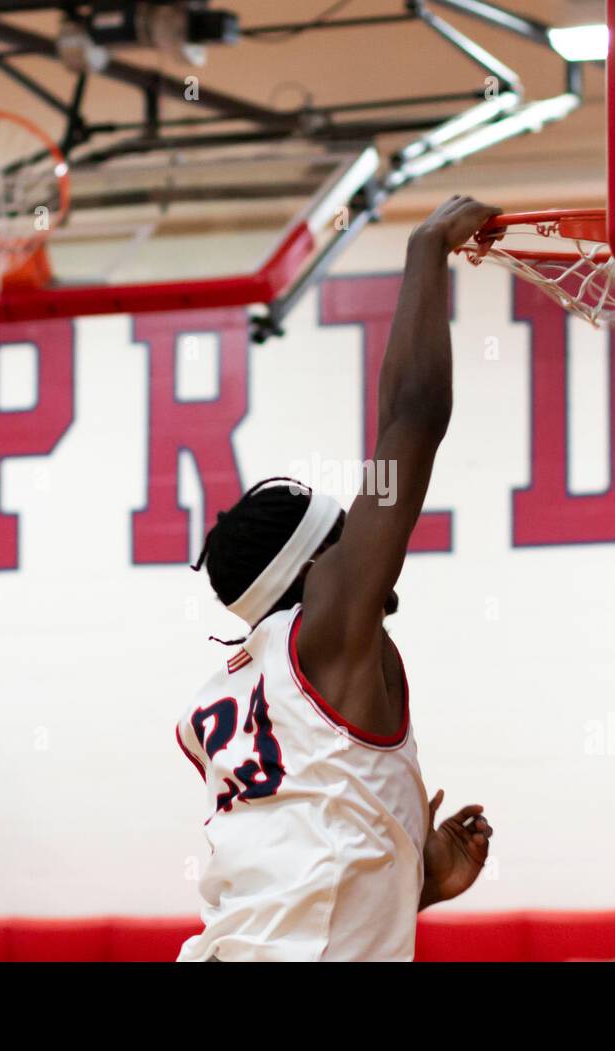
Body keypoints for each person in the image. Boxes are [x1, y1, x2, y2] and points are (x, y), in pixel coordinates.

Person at [176, 196, 499, 962]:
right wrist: (425, 249)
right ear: (319, 572)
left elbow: (294, 871)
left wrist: (410, 880)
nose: (373, 549)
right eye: (350, 540)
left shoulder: (229, 692)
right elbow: (411, 418)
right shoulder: (324, 630)